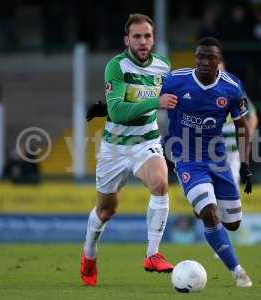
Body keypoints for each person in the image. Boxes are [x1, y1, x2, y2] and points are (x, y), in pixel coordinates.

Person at [80, 14, 178, 287]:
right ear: (127, 40)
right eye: (137, 36)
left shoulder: (163, 66)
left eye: (147, 36)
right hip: (115, 148)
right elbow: (119, 111)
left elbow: (169, 101)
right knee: (106, 210)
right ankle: (89, 253)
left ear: (153, 38)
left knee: (160, 183)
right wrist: (153, 103)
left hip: (146, 141)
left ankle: (153, 254)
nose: (143, 41)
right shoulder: (117, 66)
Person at [159, 37, 253, 287]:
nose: (203, 61)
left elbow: (244, 125)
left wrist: (245, 165)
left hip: (218, 158)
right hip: (187, 158)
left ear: (218, 60)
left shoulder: (231, 87)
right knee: (211, 213)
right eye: (200, 56)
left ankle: (201, 204)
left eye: (210, 57)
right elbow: (147, 101)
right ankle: (238, 272)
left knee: (232, 223)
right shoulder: (176, 80)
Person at [219, 61, 258, 184]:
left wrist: (247, 137)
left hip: (231, 141)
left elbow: (252, 116)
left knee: (232, 176)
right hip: (209, 142)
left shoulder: (234, 90)